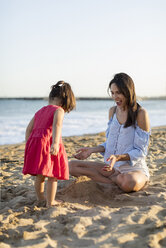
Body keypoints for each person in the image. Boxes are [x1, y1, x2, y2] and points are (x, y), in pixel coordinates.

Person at [69, 73, 150, 193]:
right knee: (71, 166)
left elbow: (141, 151)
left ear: (128, 91)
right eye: (112, 93)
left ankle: (107, 180)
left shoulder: (140, 113)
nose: (115, 97)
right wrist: (92, 150)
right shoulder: (112, 111)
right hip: (112, 168)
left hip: (134, 169)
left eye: (118, 93)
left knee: (129, 182)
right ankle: (114, 180)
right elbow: (110, 144)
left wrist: (118, 157)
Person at [22, 81, 76, 207]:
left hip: (35, 143)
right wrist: (56, 143)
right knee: (53, 175)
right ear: (65, 100)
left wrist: (28, 144)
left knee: (40, 175)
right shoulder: (59, 110)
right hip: (48, 143)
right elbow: (57, 126)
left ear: (51, 97)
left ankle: (40, 198)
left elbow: (28, 129)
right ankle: (50, 202)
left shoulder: (40, 111)